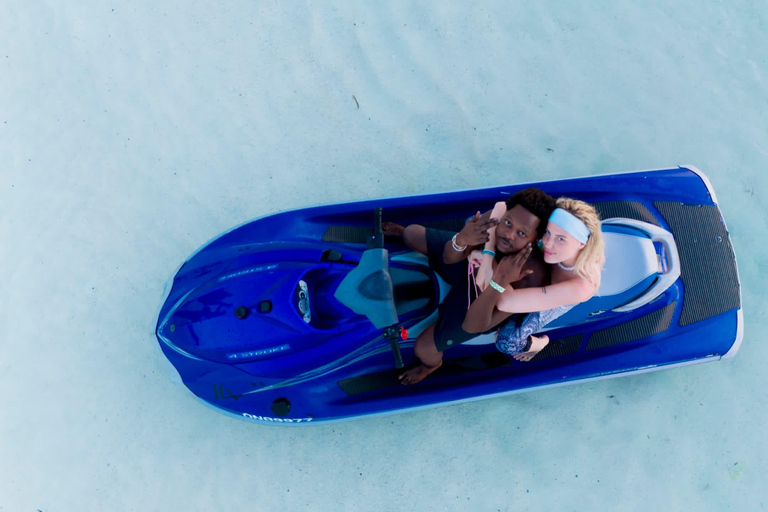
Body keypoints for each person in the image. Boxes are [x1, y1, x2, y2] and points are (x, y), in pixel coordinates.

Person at [383, 188, 557, 385]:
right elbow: (450, 257)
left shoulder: (531, 277)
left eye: (521, 233)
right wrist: (462, 240)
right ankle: (405, 236)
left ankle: (432, 366)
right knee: (411, 233)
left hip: (479, 305)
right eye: (508, 223)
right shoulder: (494, 218)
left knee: (424, 349)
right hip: (468, 267)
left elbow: (478, 325)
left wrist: (499, 282)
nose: (508, 234)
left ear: (535, 239)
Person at [462, 198, 605, 362]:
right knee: (476, 224)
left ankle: (540, 344)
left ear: (581, 244)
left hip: (553, 296)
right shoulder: (550, 240)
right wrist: (487, 256)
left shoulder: (581, 287)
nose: (548, 243)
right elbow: (501, 208)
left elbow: (506, 302)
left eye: (561, 239)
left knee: (506, 342)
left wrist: (490, 262)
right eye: (548, 232)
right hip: (539, 268)